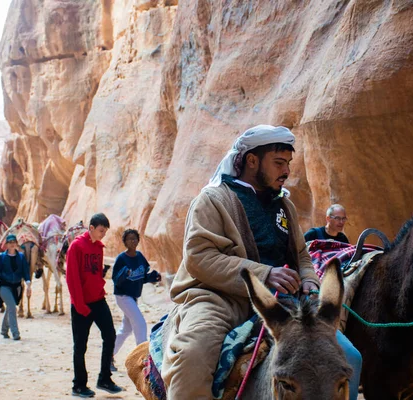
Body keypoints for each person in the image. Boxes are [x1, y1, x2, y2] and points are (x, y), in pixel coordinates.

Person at [161, 125, 328, 399]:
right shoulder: (213, 200)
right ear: (252, 161)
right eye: (278, 163)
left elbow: (301, 256)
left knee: (346, 355)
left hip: (280, 303)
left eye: (288, 163)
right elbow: (199, 257)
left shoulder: (286, 207)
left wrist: (309, 279)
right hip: (218, 299)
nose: (286, 171)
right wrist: (265, 276)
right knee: (193, 354)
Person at [66, 213, 123, 397]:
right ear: (91, 228)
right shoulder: (76, 246)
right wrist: (80, 305)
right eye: (100, 230)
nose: (103, 234)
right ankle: (78, 385)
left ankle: (104, 379)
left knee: (110, 335)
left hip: (99, 300)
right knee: (80, 346)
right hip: (81, 305)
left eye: (105, 231)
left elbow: (95, 274)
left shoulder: (99, 247)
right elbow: (72, 278)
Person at [109, 229, 161, 365]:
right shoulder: (121, 258)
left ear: (138, 240)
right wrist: (124, 273)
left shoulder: (139, 257)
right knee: (140, 324)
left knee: (126, 329)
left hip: (133, 297)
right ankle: (143, 359)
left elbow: (142, 277)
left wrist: (153, 277)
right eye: (129, 239)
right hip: (123, 296)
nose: (132, 241)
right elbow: (115, 279)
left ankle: (108, 355)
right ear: (124, 242)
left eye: (134, 238)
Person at [0, 234, 31, 341]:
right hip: (4, 286)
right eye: (10, 242)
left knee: (10, 308)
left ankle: (4, 330)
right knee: (12, 307)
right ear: (6, 245)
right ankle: (15, 333)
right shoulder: (1, 257)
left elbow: (25, 272)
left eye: (14, 242)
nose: (12, 244)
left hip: (17, 287)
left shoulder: (21, 257)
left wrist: (28, 285)